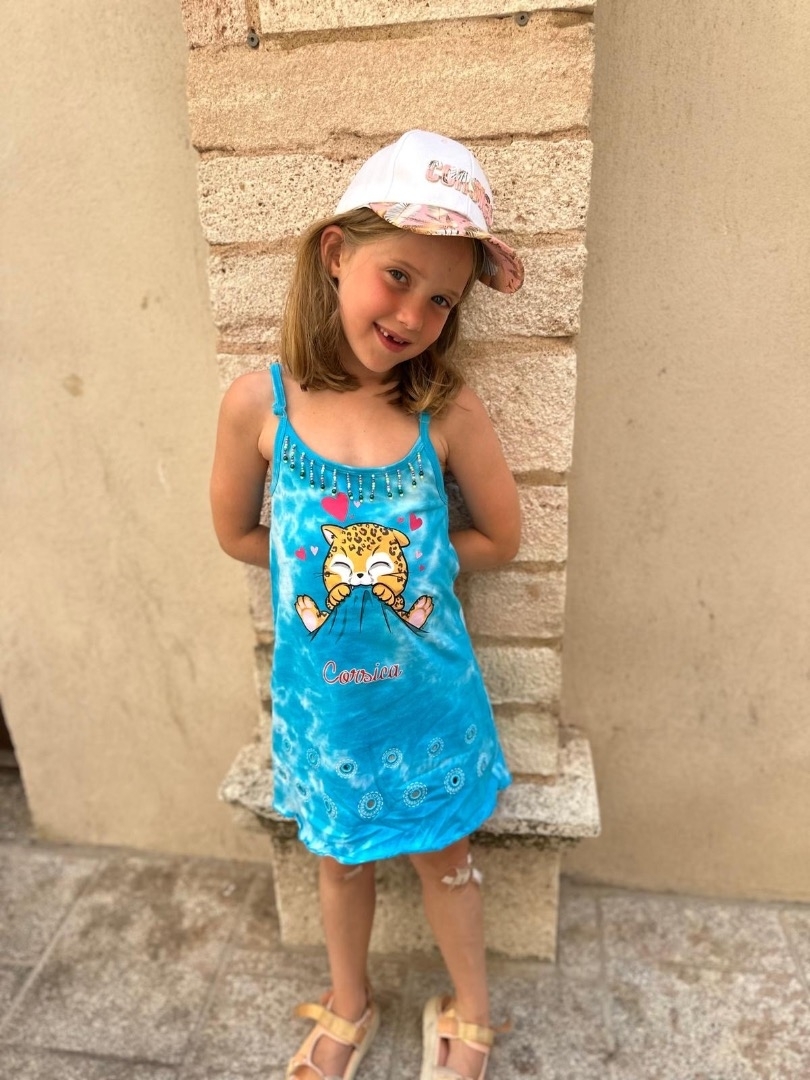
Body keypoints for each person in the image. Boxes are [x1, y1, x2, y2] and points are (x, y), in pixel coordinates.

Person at [210, 130, 524, 1080]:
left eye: (443, 299)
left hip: (428, 708)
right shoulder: (258, 405)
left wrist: (416, 574)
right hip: (327, 713)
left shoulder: (444, 409)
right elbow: (236, 533)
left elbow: (501, 537)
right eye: (398, 276)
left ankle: (471, 1013)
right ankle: (349, 1003)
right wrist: (318, 583)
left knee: (446, 861)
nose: (415, 313)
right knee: (340, 861)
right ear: (337, 253)